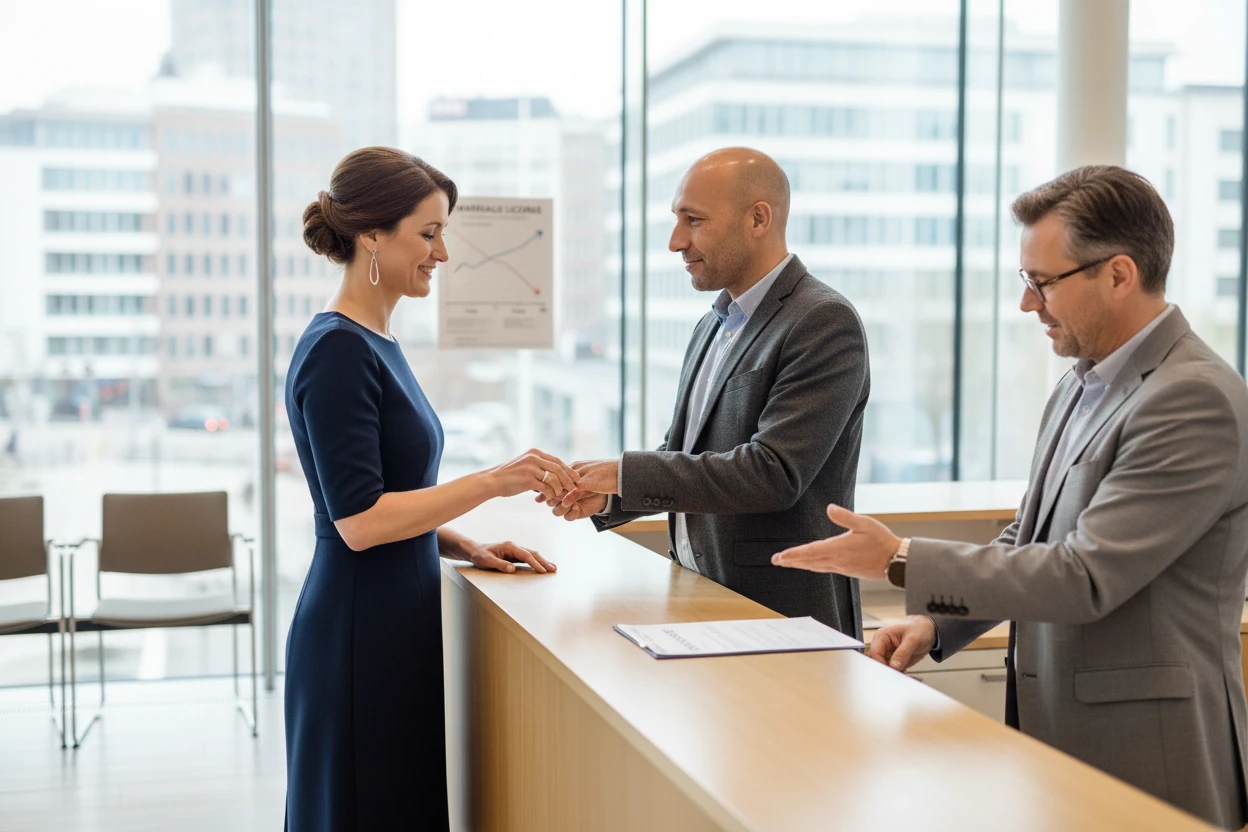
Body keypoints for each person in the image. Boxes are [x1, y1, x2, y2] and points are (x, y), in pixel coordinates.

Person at [772, 165, 1248, 830]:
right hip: (1062, 737)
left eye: (1042, 282)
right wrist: (940, 622)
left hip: (1148, 751)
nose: (1028, 304)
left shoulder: (1192, 399)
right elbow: (1030, 537)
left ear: (1118, 273)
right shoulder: (1080, 385)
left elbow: (1084, 576)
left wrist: (900, 559)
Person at [285, 147, 578, 832]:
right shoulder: (338, 350)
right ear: (372, 236)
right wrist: (493, 481)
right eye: (429, 232)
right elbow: (357, 520)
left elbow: (379, 498)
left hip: (392, 620)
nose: (442, 253)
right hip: (358, 633)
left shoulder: (373, 341)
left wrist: (462, 543)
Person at [552, 147, 870, 637]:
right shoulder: (712, 324)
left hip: (782, 616)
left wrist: (625, 474)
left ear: (758, 218)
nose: (676, 241)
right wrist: (611, 496)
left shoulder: (822, 320)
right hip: (701, 599)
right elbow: (688, 455)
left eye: (693, 220)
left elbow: (773, 473)